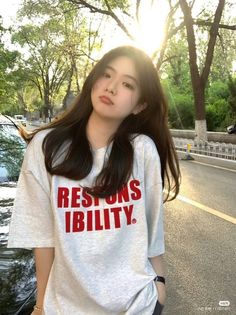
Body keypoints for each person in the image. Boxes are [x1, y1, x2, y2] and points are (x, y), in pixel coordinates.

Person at [8, 45, 180, 315]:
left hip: (137, 305)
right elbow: (42, 235)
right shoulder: (46, 148)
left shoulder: (143, 150)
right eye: (106, 75)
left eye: (127, 84)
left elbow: (152, 230)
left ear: (140, 104)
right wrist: (41, 305)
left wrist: (160, 287)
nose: (111, 87)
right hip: (66, 308)